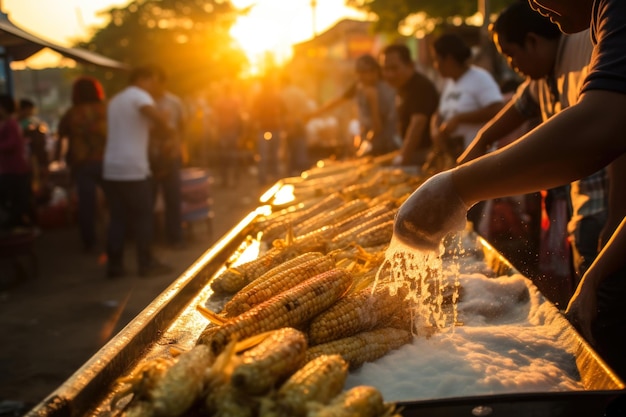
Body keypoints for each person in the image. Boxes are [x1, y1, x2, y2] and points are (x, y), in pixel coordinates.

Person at [393, 0, 626, 380]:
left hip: (600, 214)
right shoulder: (551, 68)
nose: (535, 4)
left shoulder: (604, 24)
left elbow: (607, 128)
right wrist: (462, 167)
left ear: (533, 44)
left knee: (609, 325)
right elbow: (498, 126)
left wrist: (457, 188)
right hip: (591, 220)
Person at [458, 2, 608, 306]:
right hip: (578, 208)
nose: (513, 65)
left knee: (604, 299)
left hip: (605, 210)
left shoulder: (586, 49)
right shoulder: (540, 78)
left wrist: (463, 185)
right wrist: (480, 144)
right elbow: (515, 110)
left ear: (533, 42)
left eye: (512, 55)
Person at [103, 65, 174, 278]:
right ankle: (146, 263)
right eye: (153, 80)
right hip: (133, 168)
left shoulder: (115, 100)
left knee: (117, 218)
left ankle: (115, 265)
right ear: (143, 78)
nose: (155, 86)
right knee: (144, 217)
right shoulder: (140, 96)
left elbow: (134, 128)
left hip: (112, 168)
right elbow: (155, 118)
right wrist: (166, 126)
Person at [429, 33, 503, 162]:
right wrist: (435, 129)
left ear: (449, 59)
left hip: (479, 158)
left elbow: (498, 109)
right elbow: (440, 113)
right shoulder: (449, 83)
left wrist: (460, 119)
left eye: (436, 59)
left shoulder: (480, 78)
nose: (435, 65)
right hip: (456, 157)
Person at [308, 54, 399, 159]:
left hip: (384, 145)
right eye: (359, 73)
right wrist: (313, 114)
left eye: (364, 73)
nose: (361, 77)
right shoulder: (360, 85)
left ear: (375, 72)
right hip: (370, 141)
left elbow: (377, 126)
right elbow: (339, 100)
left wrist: (366, 144)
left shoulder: (383, 89)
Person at [57, 77, 108, 253]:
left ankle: (90, 243)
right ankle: (118, 237)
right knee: (115, 201)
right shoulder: (105, 110)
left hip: (82, 163)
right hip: (106, 161)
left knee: (86, 205)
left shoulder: (72, 113)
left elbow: (62, 134)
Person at [379, 44, 439, 167]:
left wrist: (402, 158)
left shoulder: (420, 86)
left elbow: (417, 124)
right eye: (385, 69)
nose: (389, 74)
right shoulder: (402, 87)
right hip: (413, 153)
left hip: (424, 155)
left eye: (394, 68)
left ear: (410, 65)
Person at [150, 68, 186, 248]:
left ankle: (175, 237)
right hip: (150, 156)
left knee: (173, 196)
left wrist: (180, 148)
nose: (153, 85)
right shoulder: (145, 102)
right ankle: (153, 238)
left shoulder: (174, 102)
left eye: (156, 81)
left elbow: (182, 126)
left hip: (170, 154)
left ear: (164, 83)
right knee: (149, 198)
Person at [0, 95, 32, 230]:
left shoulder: (11, 124)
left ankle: (20, 228)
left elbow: (12, 143)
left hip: (14, 169)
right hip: (10, 169)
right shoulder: (9, 123)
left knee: (15, 201)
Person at [250, 76, 284, 186]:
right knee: (272, 155)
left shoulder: (261, 97)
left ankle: (265, 179)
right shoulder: (274, 96)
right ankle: (273, 179)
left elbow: (253, 113)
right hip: (271, 129)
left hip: (266, 129)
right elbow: (284, 111)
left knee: (265, 156)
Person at [280, 75, 315, 175]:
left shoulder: (283, 93)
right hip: (300, 123)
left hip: (289, 124)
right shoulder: (300, 92)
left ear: (283, 83)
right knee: (300, 147)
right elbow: (307, 109)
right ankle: (302, 172)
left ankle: (291, 172)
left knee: (290, 150)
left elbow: (282, 112)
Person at [213, 81, 244, 186]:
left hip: (229, 131)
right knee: (228, 157)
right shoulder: (228, 101)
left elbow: (238, 117)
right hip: (227, 131)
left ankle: (230, 180)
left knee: (228, 157)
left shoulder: (225, 101)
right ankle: (229, 180)